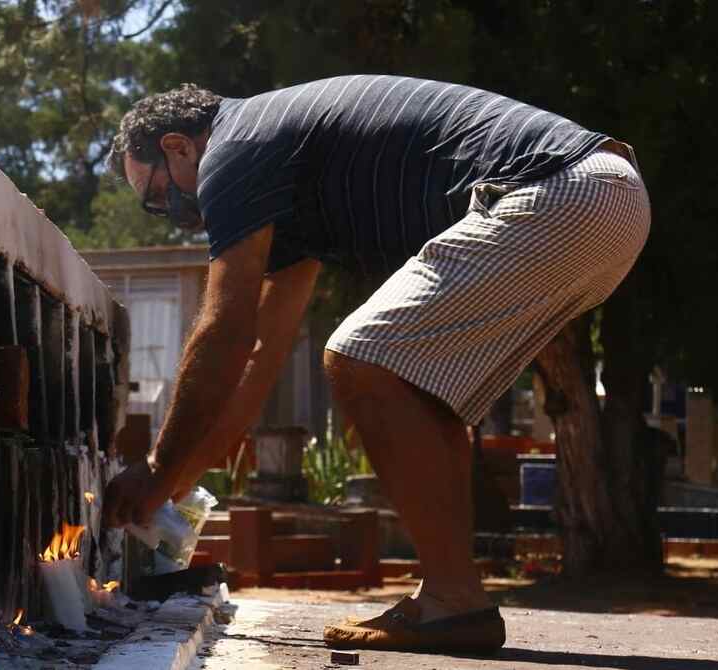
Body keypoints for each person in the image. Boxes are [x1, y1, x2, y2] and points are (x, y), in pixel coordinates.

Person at [100, 76, 650, 653]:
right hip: (609, 201)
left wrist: (158, 464)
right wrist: (176, 486)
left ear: (177, 147)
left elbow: (224, 330)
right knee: (421, 390)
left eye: (158, 197)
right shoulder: (281, 184)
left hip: (559, 191)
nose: (172, 214)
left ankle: (452, 598)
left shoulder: (234, 147)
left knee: (360, 357)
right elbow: (258, 357)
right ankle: (453, 599)